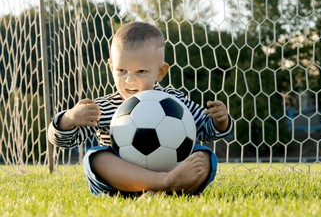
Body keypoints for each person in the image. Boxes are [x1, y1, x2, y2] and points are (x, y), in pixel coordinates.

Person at [48, 21, 233, 197]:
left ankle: (166, 185)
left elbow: (206, 129)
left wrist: (220, 121)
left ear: (160, 72)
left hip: (170, 166)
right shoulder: (102, 108)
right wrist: (69, 119)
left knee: (204, 157)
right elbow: (64, 140)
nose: (129, 80)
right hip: (123, 183)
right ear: (111, 67)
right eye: (121, 71)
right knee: (94, 158)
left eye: (141, 72)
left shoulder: (175, 101)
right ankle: (164, 183)